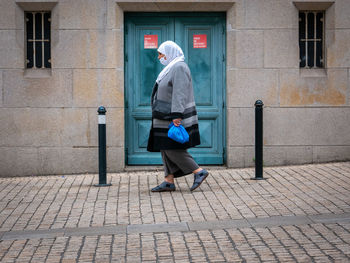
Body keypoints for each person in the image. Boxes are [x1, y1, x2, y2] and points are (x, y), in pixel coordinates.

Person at [147, 40, 209, 192]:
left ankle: (198, 171)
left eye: (161, 54)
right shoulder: (170, 68)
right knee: (165, 146)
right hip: (164, 115)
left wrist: (177, 115)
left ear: (169, 53)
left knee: (172, 148)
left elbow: (180, 92)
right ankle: (168, 181)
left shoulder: (179, 67)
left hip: (173, 115)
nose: (159, 57)